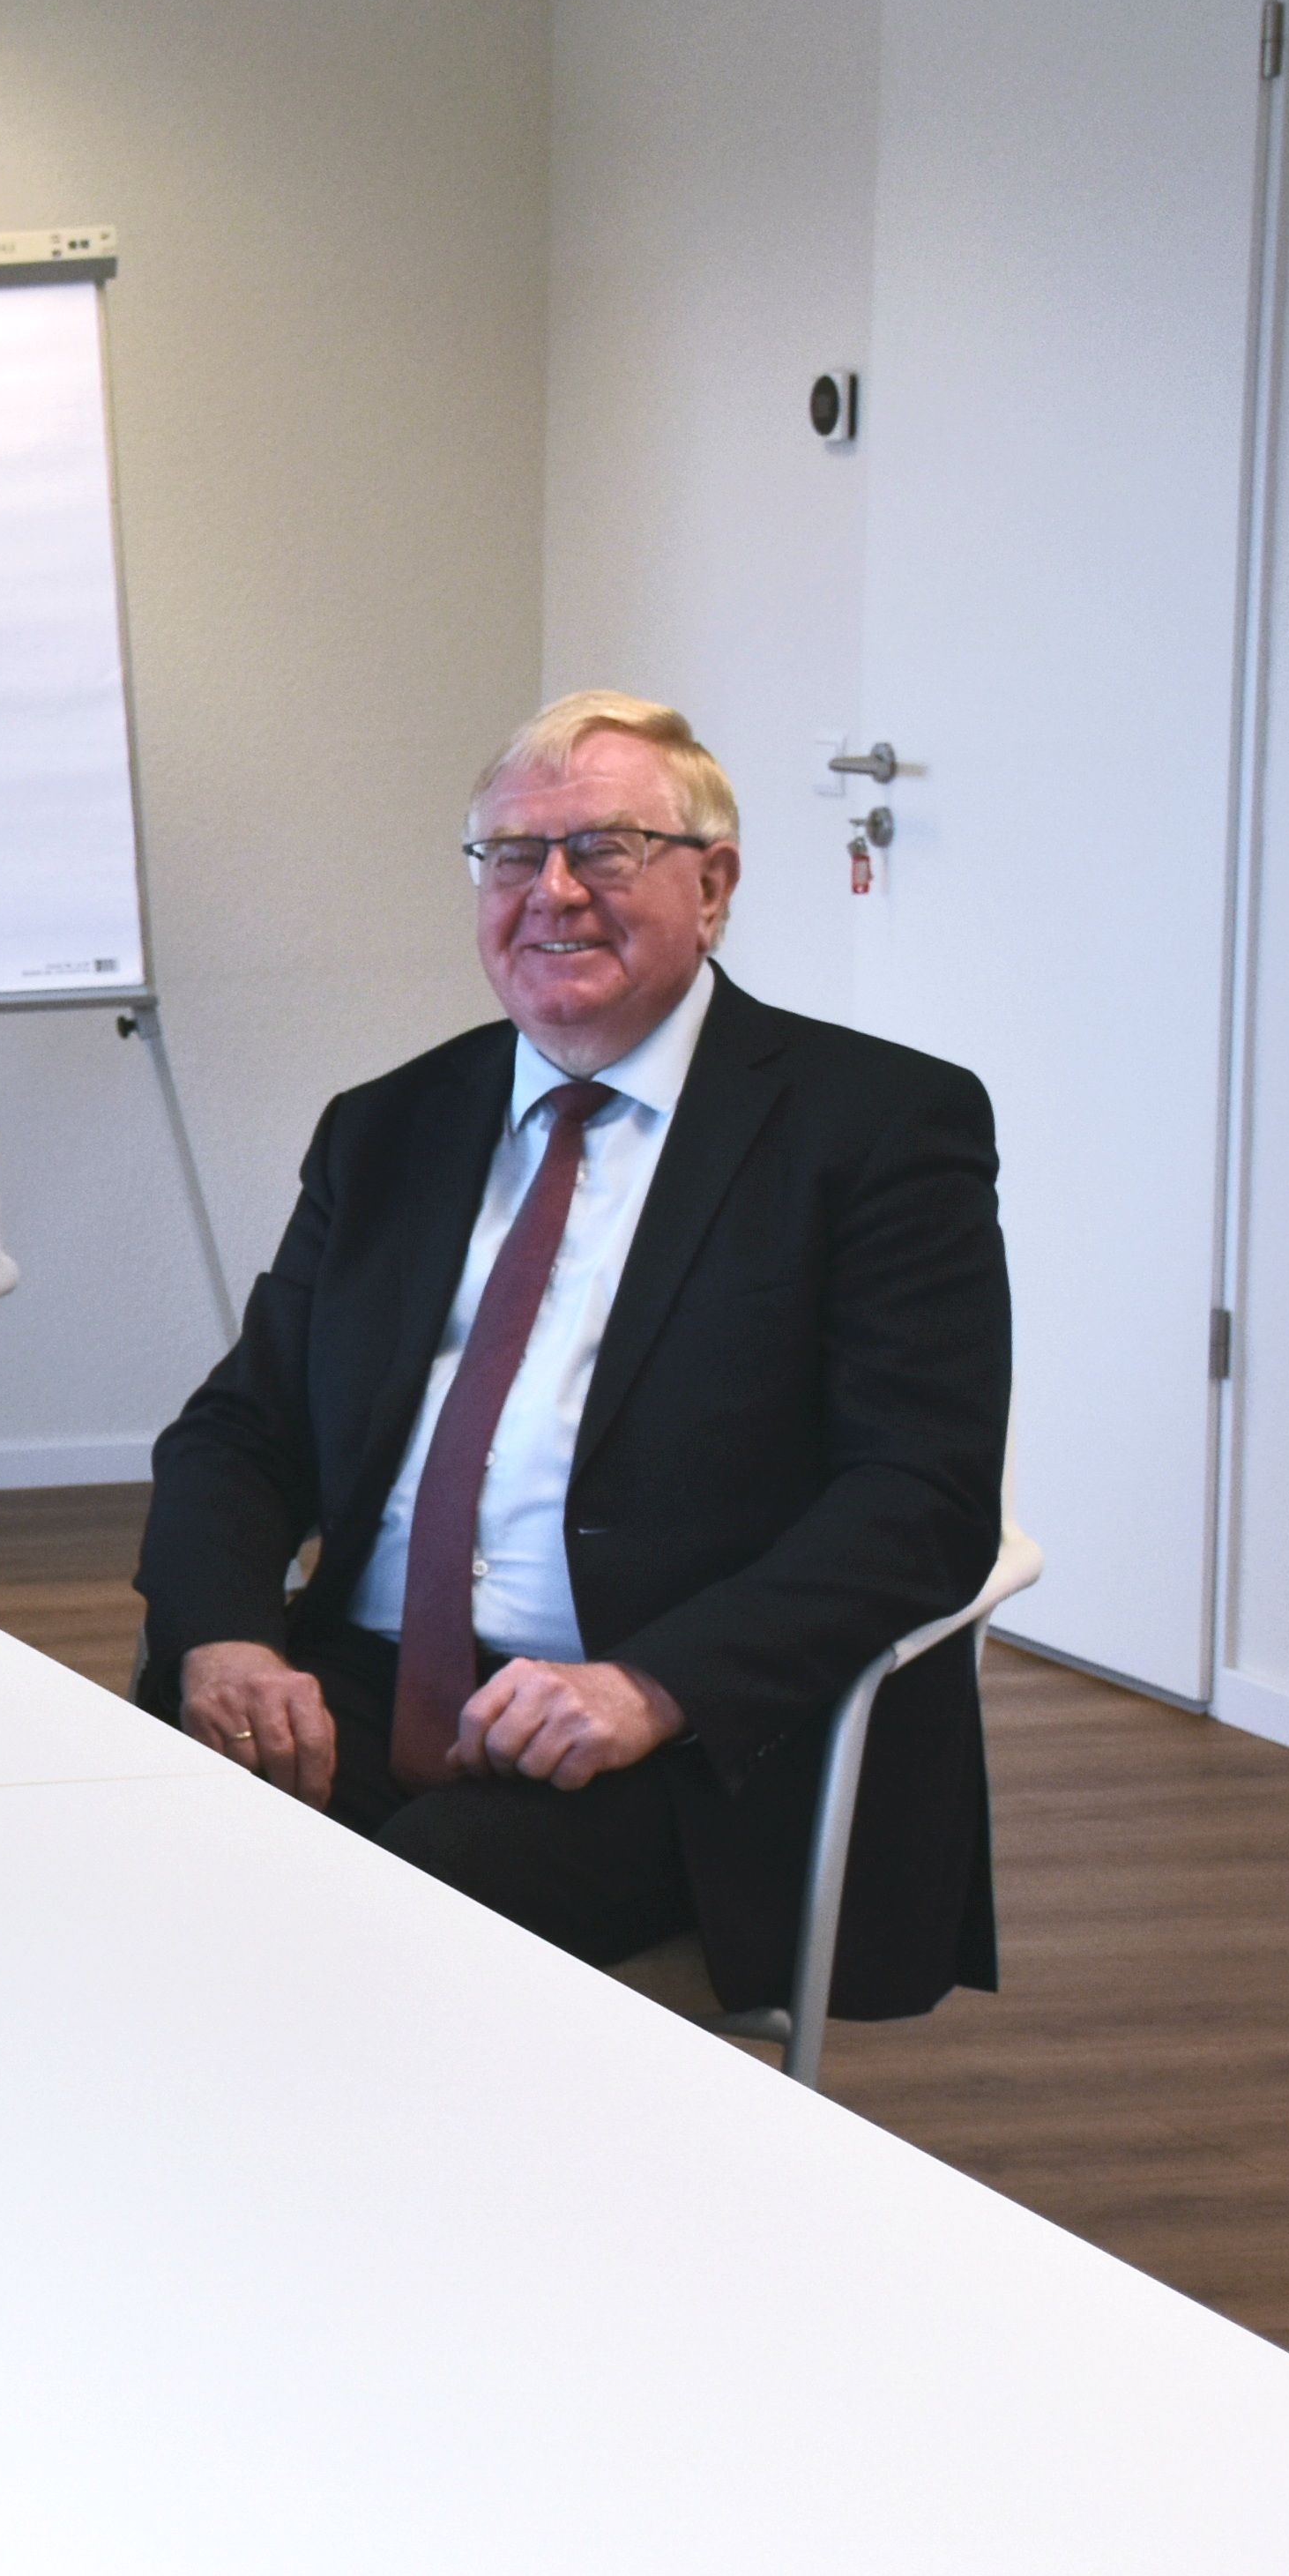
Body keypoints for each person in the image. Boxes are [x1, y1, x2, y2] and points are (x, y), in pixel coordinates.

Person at [137, 690, 1012, 2019]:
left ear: (712, 885)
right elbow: (240, 1431)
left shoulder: (878, 1128)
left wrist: (652, 1686)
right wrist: (229, 1639)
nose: (553, 892)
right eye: (511, 856)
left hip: (676, 1728)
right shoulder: (390, 1126)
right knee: (126, 1834)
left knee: (395, 1919)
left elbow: (918, 1499)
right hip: (364, 1682)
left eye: (605, 849)